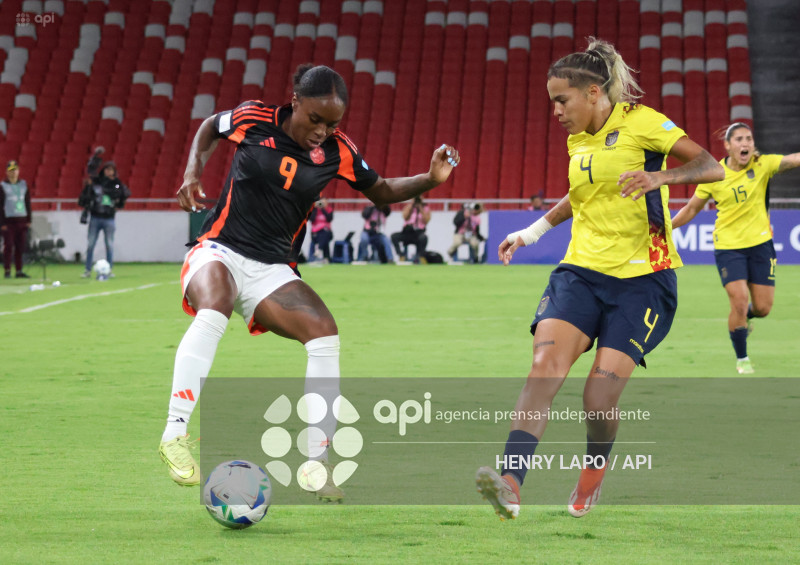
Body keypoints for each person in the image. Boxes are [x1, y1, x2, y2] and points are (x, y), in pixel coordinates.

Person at [158, 64, 459, 502]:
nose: (322, 130)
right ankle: (174, 434)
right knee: (215, 304)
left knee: (325, 335)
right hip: (218, 249)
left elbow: (382, 190)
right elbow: (209, 127)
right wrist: (191, 172)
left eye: (333, 123)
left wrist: (431, 180)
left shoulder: (338, 152)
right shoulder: (252, 119)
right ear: (294, 102)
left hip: (273, 269)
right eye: (315, 119)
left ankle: (317, 463)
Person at [474, 38, 724, 521]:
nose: (556, 112)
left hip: (644, 281)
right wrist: (532, 231)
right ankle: (509, 483)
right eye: (552, 103)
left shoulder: (643, 123)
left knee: (598, 398)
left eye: (561, 100)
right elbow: (579, 195)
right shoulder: (577, 139)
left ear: (593, 92)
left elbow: (709, 166)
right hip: (581, 273)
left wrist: (661, 179)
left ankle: (591, 478)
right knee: (543, 367)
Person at [672, 123, 800, 374]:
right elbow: (691, 209)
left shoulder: (762, 165)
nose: (746, 143)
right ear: (728, 146)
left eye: (749, 139)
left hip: (761, 246)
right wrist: (668, 228)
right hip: (728, 248)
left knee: (762, 308)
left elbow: (793, 159)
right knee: (739, 301)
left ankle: (746, 319)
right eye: (739, 139)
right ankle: (742, 359)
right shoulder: (714, 173)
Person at [78, 156, 130, 278]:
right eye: (107, 169)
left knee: (109, 245)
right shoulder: (97, 182)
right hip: (95, 216)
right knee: (90, 244)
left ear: (114, 171)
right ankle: (87, 270)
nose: (108, 172)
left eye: (111, 170)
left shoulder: (116, 184)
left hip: (109, 218)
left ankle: (109, 269)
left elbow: (123, 193)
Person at [1, 160, 32, 278]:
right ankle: (7, 270)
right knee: (8, 246)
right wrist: (2, 223)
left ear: (18, 171)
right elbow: (0, 205)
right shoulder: (3, 186)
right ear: (7, 172)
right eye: (11, 171)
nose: (13, 173)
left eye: (15, 170)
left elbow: (27, 203)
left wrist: (29, 219)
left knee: (20, 246)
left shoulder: (23, 185)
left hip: (22, 220)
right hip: (9, 221)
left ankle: (19, 270)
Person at [390, 195, 430, 262]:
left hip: (418, 233)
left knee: (424, 238)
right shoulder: (409, 207)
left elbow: (426, 220)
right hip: (407, 232)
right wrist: (412, 205)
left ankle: (421, 256)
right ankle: (401, 255)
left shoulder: (425, 208)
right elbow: (405, 217)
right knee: (394, 236)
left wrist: (420, 208)